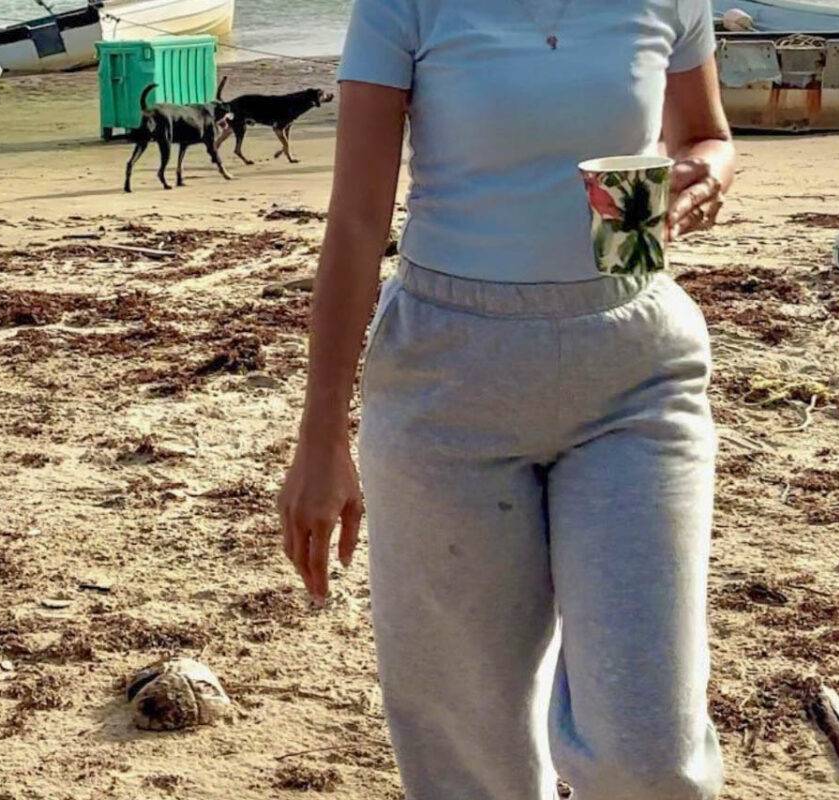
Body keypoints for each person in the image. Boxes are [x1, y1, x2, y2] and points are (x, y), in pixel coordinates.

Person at [277, 0, 735, 797]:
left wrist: (707, 176)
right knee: (472, 758)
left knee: (650, 756)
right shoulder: (402, 6)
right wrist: (321, 438)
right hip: (446, 376)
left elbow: (706, 134)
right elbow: (356, 221)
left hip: (634, 365)